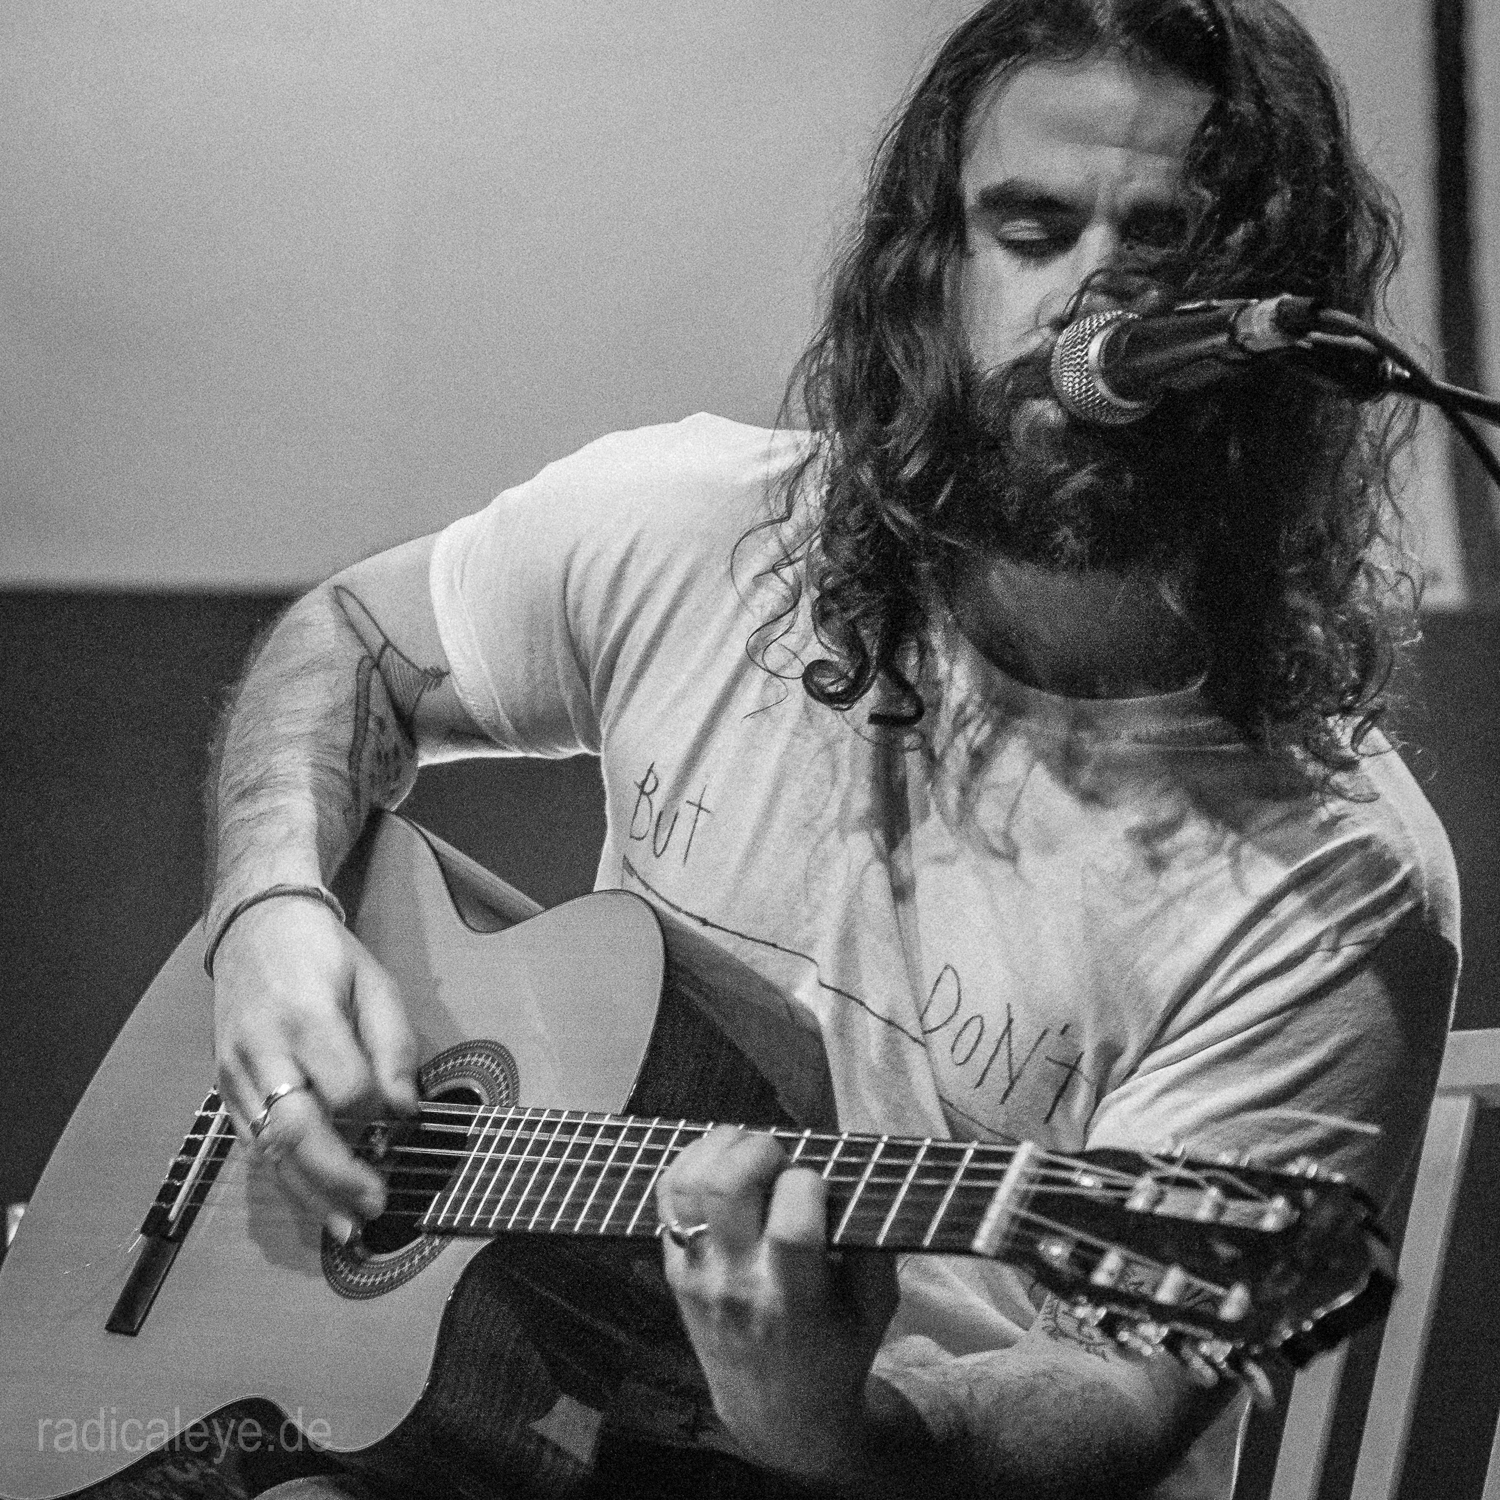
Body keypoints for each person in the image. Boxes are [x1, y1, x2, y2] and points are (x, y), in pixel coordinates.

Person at [195, 1, 1458, 1497]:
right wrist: (267, 911)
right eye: (1030, 228)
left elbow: (1118, 1393)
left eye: (1168, 244)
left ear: (1270, 325)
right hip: (537, 1389)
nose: (1093, 298)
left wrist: (835, 1426)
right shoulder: (702, 532)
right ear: (930, 270)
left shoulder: (1335, 882)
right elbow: (352, 640)